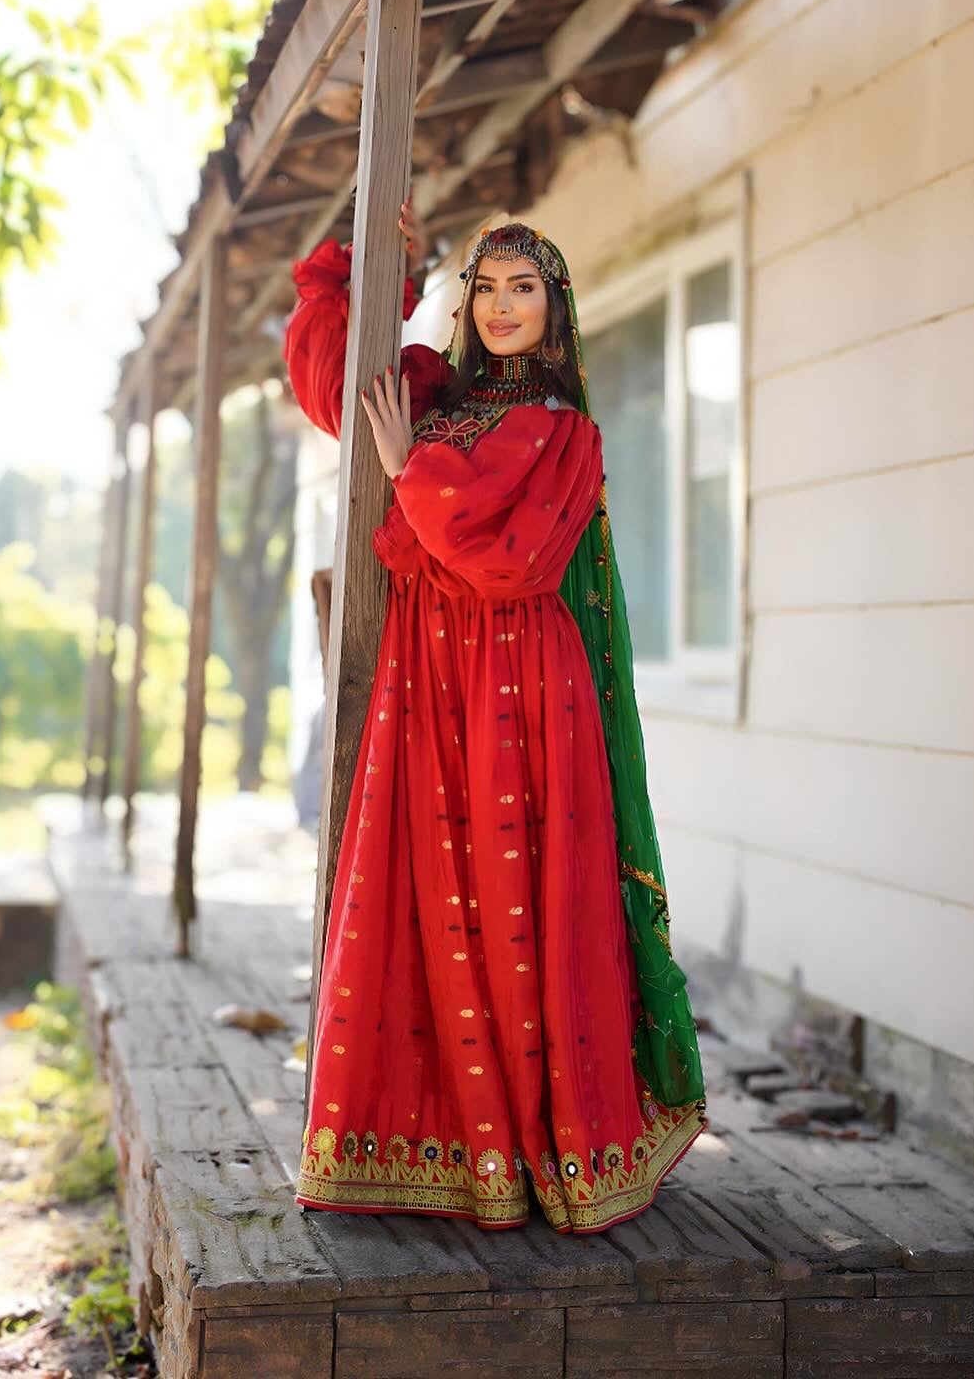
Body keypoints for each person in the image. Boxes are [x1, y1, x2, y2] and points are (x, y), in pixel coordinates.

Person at [281, 200, 705, 1234]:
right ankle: (449, 1145)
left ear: (556, 314)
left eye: (526, 288)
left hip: (524, 695)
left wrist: (406, 470)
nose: (503, 304)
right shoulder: (432, 397)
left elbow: (505, 563)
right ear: (464, 302)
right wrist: (371, 255)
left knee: (518, 910)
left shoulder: (565, 431)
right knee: (426, 896)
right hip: (430, 685)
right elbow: (335, 384)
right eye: (487, 286)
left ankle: (536, 1152)